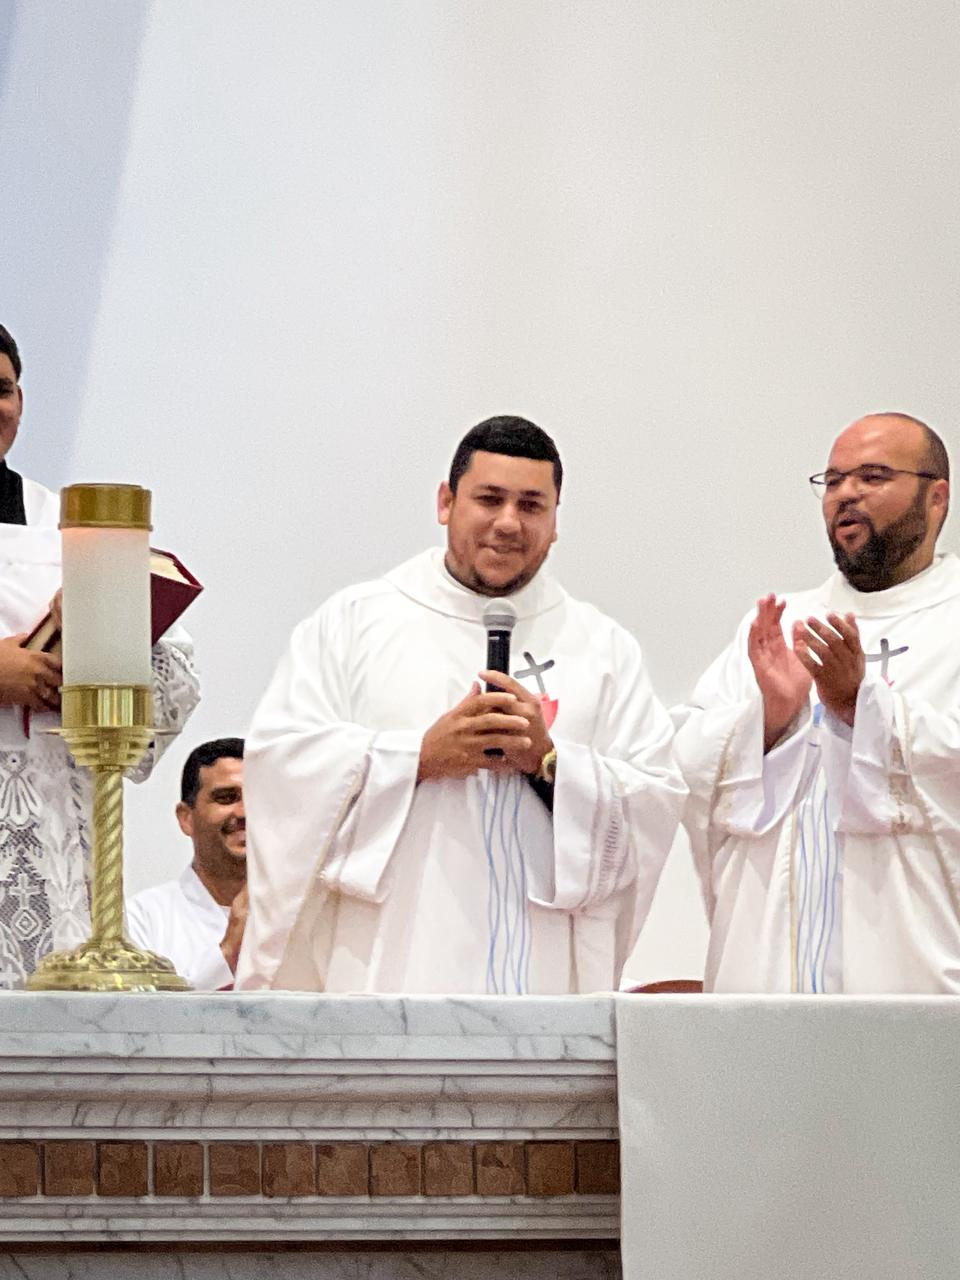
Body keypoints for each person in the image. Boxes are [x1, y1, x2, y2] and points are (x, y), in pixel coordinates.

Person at [237, 415, 684, 994]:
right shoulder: (354, 624)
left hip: (542, 970)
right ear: (446, 503)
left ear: (555, 522)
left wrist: (551, 765)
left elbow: (654, 800)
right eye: (489, 499)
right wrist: (418, 758)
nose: (508, 523)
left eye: (531, 505)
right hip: (395, 960)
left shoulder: (603, 648)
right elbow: (281, 766)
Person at [674, 412, 959, 993]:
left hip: (911, 979)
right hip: (767, 974)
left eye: (872, 476)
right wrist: (768, 721)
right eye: (832, 481)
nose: (846, 494)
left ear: (936, 498)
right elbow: (685, 770)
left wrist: (862, 710)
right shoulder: (780, 625)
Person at [0, 322, 200, 985]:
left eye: (1, 389)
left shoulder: (70, 526)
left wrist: (105, 631)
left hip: (52, 825)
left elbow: (172, 679)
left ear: (20, 402)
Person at [127, 738, 247, 989]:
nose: (244, 812)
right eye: (226, 798)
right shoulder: (142, 919)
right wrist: (228, 953)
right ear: (186, 818)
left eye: (258, 799)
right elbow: (135, 1011)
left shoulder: (303, 914)